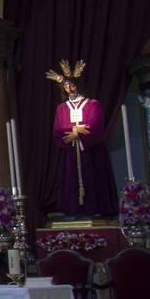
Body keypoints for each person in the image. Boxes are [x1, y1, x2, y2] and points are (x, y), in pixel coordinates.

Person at [46, 59, 117, 217]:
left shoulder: (92, 104)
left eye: (72, 85)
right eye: (66, 86)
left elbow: (95, 124)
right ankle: (73, 209)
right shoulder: (62, 108)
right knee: (71, 180)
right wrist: (75, 131)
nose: (69, 88)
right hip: (71, 152)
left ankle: (96, 209)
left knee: (93, 177)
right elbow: (59, 129)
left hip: (91, 151)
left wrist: (79, 133)